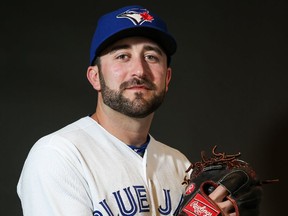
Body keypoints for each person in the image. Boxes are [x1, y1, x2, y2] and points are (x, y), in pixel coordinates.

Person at [17, 5, 236, 216]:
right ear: (95, 77)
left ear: (167, 78)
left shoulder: (180, 165)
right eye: (122, 56)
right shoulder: (58, 156)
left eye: (151, 57)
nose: (139, 70)